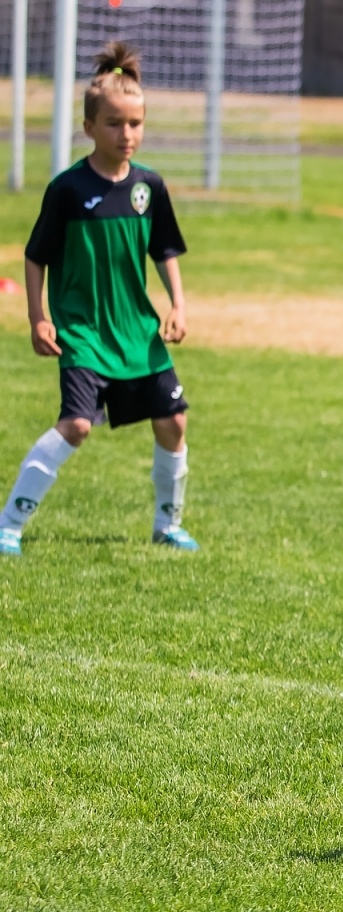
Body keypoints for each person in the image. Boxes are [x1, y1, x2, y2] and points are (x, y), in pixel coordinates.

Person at [1, 42, 195, 558]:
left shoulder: (148, 187)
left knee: (174, 420)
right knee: (78, 424)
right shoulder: (67, 189)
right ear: (89, 128)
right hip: (84, 329)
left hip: (135, 329)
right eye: (113, 124)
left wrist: (178, 303)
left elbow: (165, 248)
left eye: (135, 124)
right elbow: (36, 255)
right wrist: (38, 318)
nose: (126, 134)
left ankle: (167, 524)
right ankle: (9, 525)